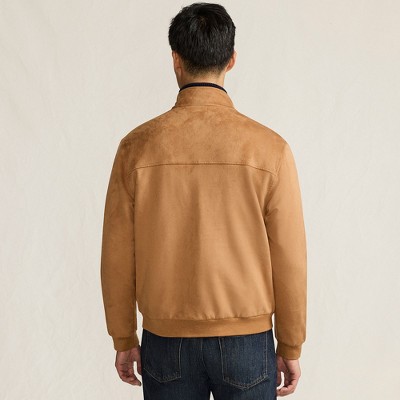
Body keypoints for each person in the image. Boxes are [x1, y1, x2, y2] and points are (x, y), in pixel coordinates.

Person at [100, 2, 307, 399]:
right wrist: (291, 343)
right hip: (247, 342)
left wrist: (123, 336)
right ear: (231, 60)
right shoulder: (270, 149)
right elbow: (290, 256)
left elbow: (117, 252)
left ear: (175, 59)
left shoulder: (136, 147)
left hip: (166, 340)